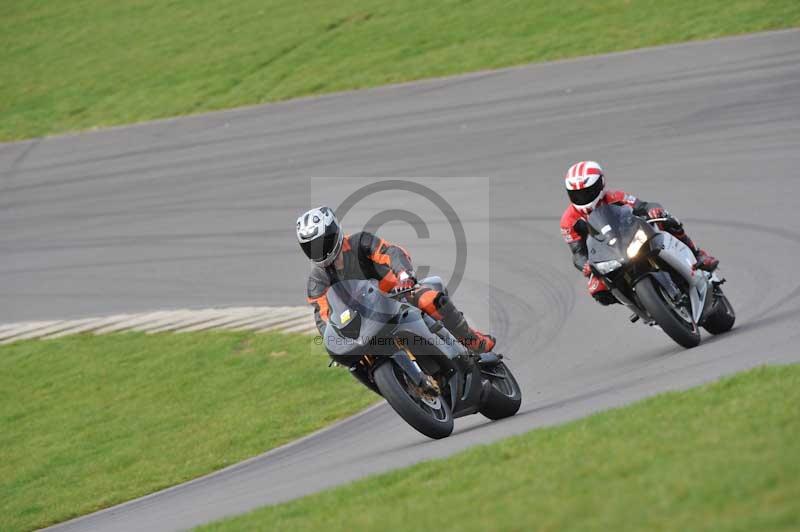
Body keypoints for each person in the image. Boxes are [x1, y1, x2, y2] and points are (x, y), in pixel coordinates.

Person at [297, 206, 496, 353]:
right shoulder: (318, 280)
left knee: (431, 300)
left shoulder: (360, 242)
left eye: (322, 241)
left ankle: (471, 340)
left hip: (397, 293)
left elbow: (391, 253)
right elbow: (323, 317)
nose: (319, 249)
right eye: (311, 246)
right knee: (356, 359)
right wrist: (334, 340)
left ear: (335, 232)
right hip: (363, 321)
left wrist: (403, 275)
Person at [559, 161, 718, 305]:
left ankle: (697, 255)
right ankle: (641, 304)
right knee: (598, 291)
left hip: (632, 238)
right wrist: (585, 265)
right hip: (606, 256)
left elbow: (644, 206)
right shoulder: (568, 221)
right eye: (576, 194)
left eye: (587, 192)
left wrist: (654, 211)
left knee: (667, 220)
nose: (581, 197)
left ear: (601, 184)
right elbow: (578, 253)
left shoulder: (615, 197)